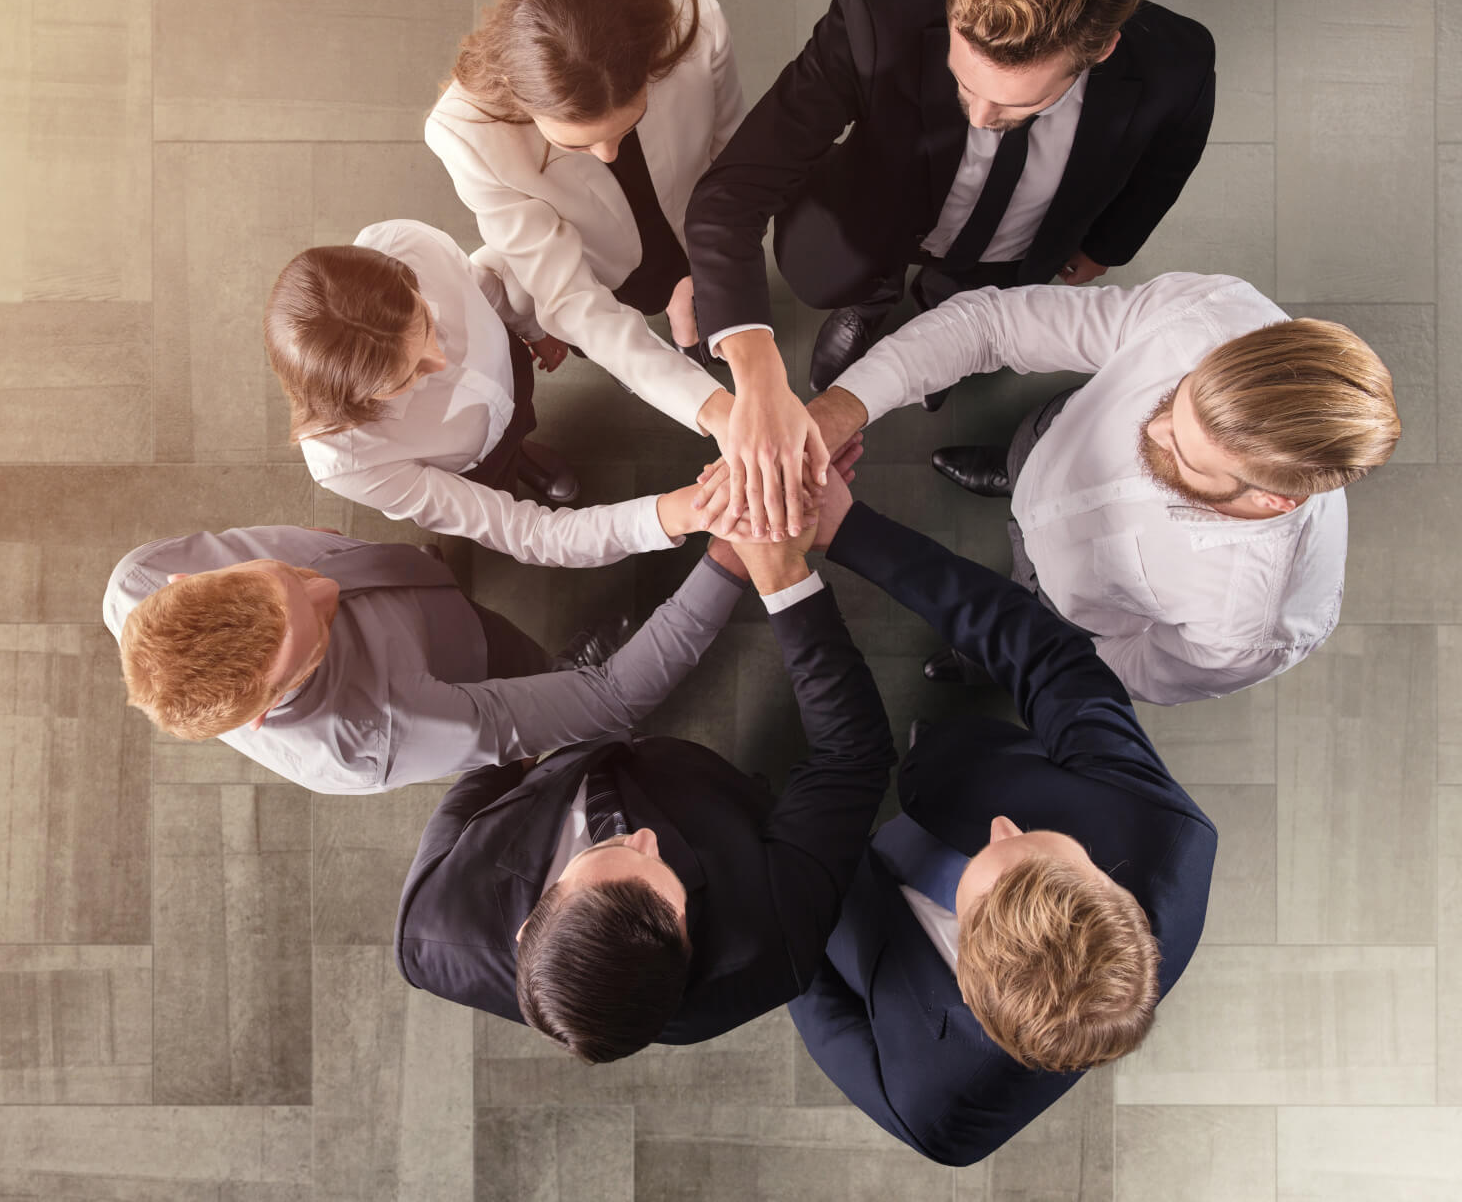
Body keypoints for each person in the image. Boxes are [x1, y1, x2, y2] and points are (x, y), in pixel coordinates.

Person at [684, 0, 1215, 541]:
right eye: (965, 85)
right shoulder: (874, 14)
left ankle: (942, 318)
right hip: (881, 210)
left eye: (1020, 102)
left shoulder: (1177, 63)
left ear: (1100, 49)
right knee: (825, 272)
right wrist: (759, 373)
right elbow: (733, 192)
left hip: (1025, 238)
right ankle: (871, 300)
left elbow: (1167, 163)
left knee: (972, 301)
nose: (981, 119)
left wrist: (1108, 245)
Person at [393, 447, 901, 1059]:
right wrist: (780, 574)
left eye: (609, 854)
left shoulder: (432, 925)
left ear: (530, 924)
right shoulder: (772, 941)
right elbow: (852, 755)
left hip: (569, 763)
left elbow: (478, 784)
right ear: (690, 948)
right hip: (721, 805)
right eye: (664, 879)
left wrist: (551, 714)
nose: (645, 839)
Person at [787, 494, 1218, 1167]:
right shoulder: (1166, 833)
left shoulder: (934, 1109)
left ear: (966, 978)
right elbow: (1050, 658)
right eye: (1043, 843)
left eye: (992, 853)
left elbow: (819, 1007)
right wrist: (849, 529)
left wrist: (785, 882)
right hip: (947, 772)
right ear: (1111, 885)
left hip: (840, 905)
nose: (1000, 823)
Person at [795, 272, 1400, 704]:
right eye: (1176, 396)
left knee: (1005, 632)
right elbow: (994, 324)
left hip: (1059, 606)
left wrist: (1029, 648)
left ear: (1274, 498)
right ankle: (1013, 474)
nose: (1152, 428)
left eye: (1181, 451)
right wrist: (841, 409)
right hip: (1051, 443)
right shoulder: (1217, 316)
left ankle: (985, 655)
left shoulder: (1258, 621)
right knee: (1028, 456)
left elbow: (1137, 669)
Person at [426, 0, 832, 527]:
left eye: (628, 125)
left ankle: (690, 335)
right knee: (618, 324)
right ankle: (668, 350)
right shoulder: (465, 134)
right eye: (578, 144)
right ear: (521, 102)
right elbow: (572, 299)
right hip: (600, 265)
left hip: (699, 218)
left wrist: (715, 268)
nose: (609, 155)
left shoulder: (692, 18)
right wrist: (718, 412)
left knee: (694, 310)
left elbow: (734, 155)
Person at [103, 524, 744, 795]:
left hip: (433, 610)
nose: (327, 588)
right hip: (464, 667)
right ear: (264, 713)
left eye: (289, 577)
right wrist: (731, 559)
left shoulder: (140, 577)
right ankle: (560, 701)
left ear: (182, 584)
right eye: (317, 628)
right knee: (569, 696)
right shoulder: (387, 727)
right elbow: (613, 696)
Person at [268, 218, 743, 568]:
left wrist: (529, 327)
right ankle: (517, 463)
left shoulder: (401, 244)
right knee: (498, 477)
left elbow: (475, 286)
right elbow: (528, 532)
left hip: (511, 369)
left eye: (427, 324)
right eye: (406, 378)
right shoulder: (350, 461)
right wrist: (679, 513)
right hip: (470, 463)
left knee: (519, 419)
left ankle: (522, 448)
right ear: (356, 403)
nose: (444, 361)